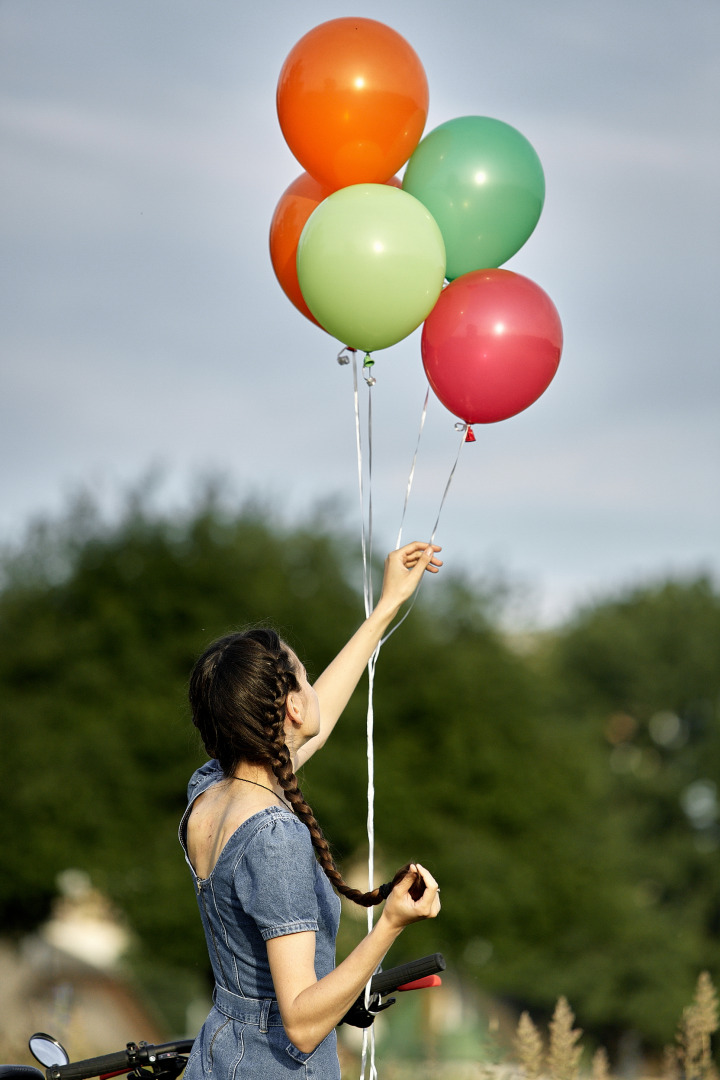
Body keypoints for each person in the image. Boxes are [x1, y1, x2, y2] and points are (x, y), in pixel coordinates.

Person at [179, 541, 443, 1078]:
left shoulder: (209, 789)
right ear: (293, 708)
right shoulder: (273, 836)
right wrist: (390, 924)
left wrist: (386, 606)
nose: (311, 685)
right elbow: (300, 1022)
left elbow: (300, 739)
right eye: (302, 677)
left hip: (217, 1059)